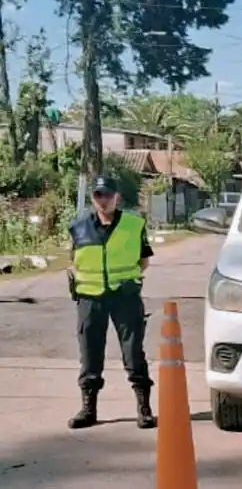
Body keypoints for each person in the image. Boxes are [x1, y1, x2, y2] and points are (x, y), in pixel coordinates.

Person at [66, 175, 157, 429]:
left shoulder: (133, 225)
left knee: (133, 353)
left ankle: (144, 408)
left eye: (107, 194)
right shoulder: (79, 227)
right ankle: (88, 409)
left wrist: (126, 280)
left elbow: (144, 261)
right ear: (92, 198)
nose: (103, 200)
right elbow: (72, 260)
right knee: (90, 355)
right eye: (98, 195)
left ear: (117, 197)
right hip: (90, 299)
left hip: (123, 297)